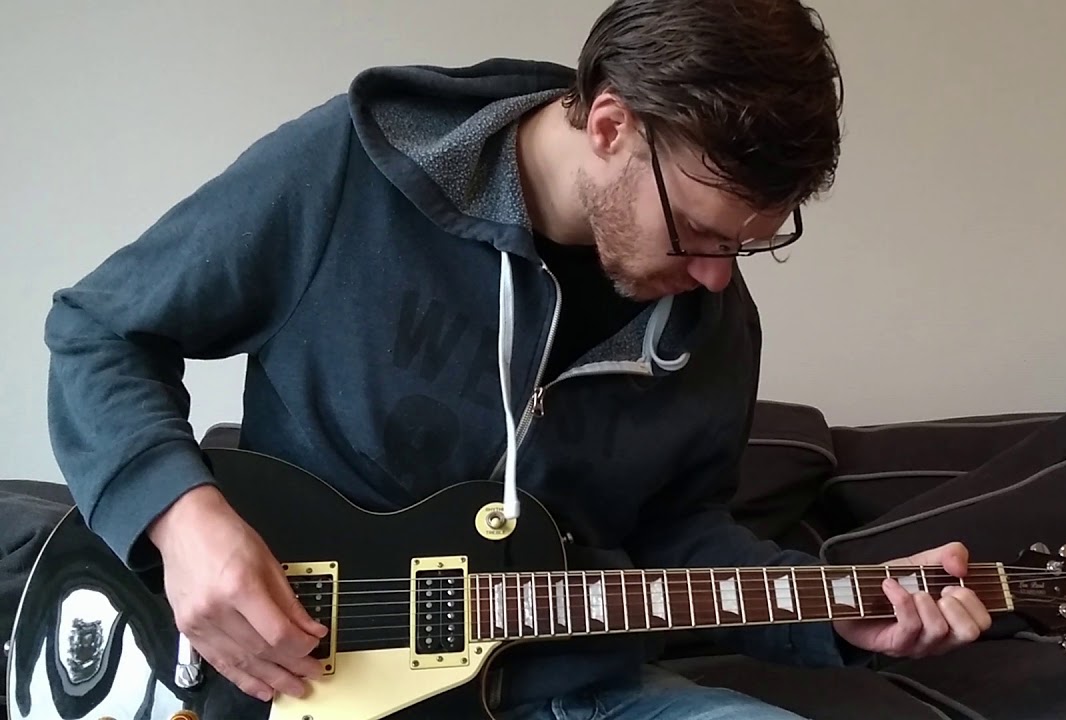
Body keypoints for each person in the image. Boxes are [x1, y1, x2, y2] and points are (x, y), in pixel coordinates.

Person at [43, 0, 992, 717]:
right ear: (611, 126)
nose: (716, 275)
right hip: (304, 683)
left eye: (749, 245)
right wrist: (184, 521)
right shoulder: (349, 171)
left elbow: (678, 534)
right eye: (701, 232)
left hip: (568, 689)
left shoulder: (713, 322)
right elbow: (99, 329)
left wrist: (833, 612)